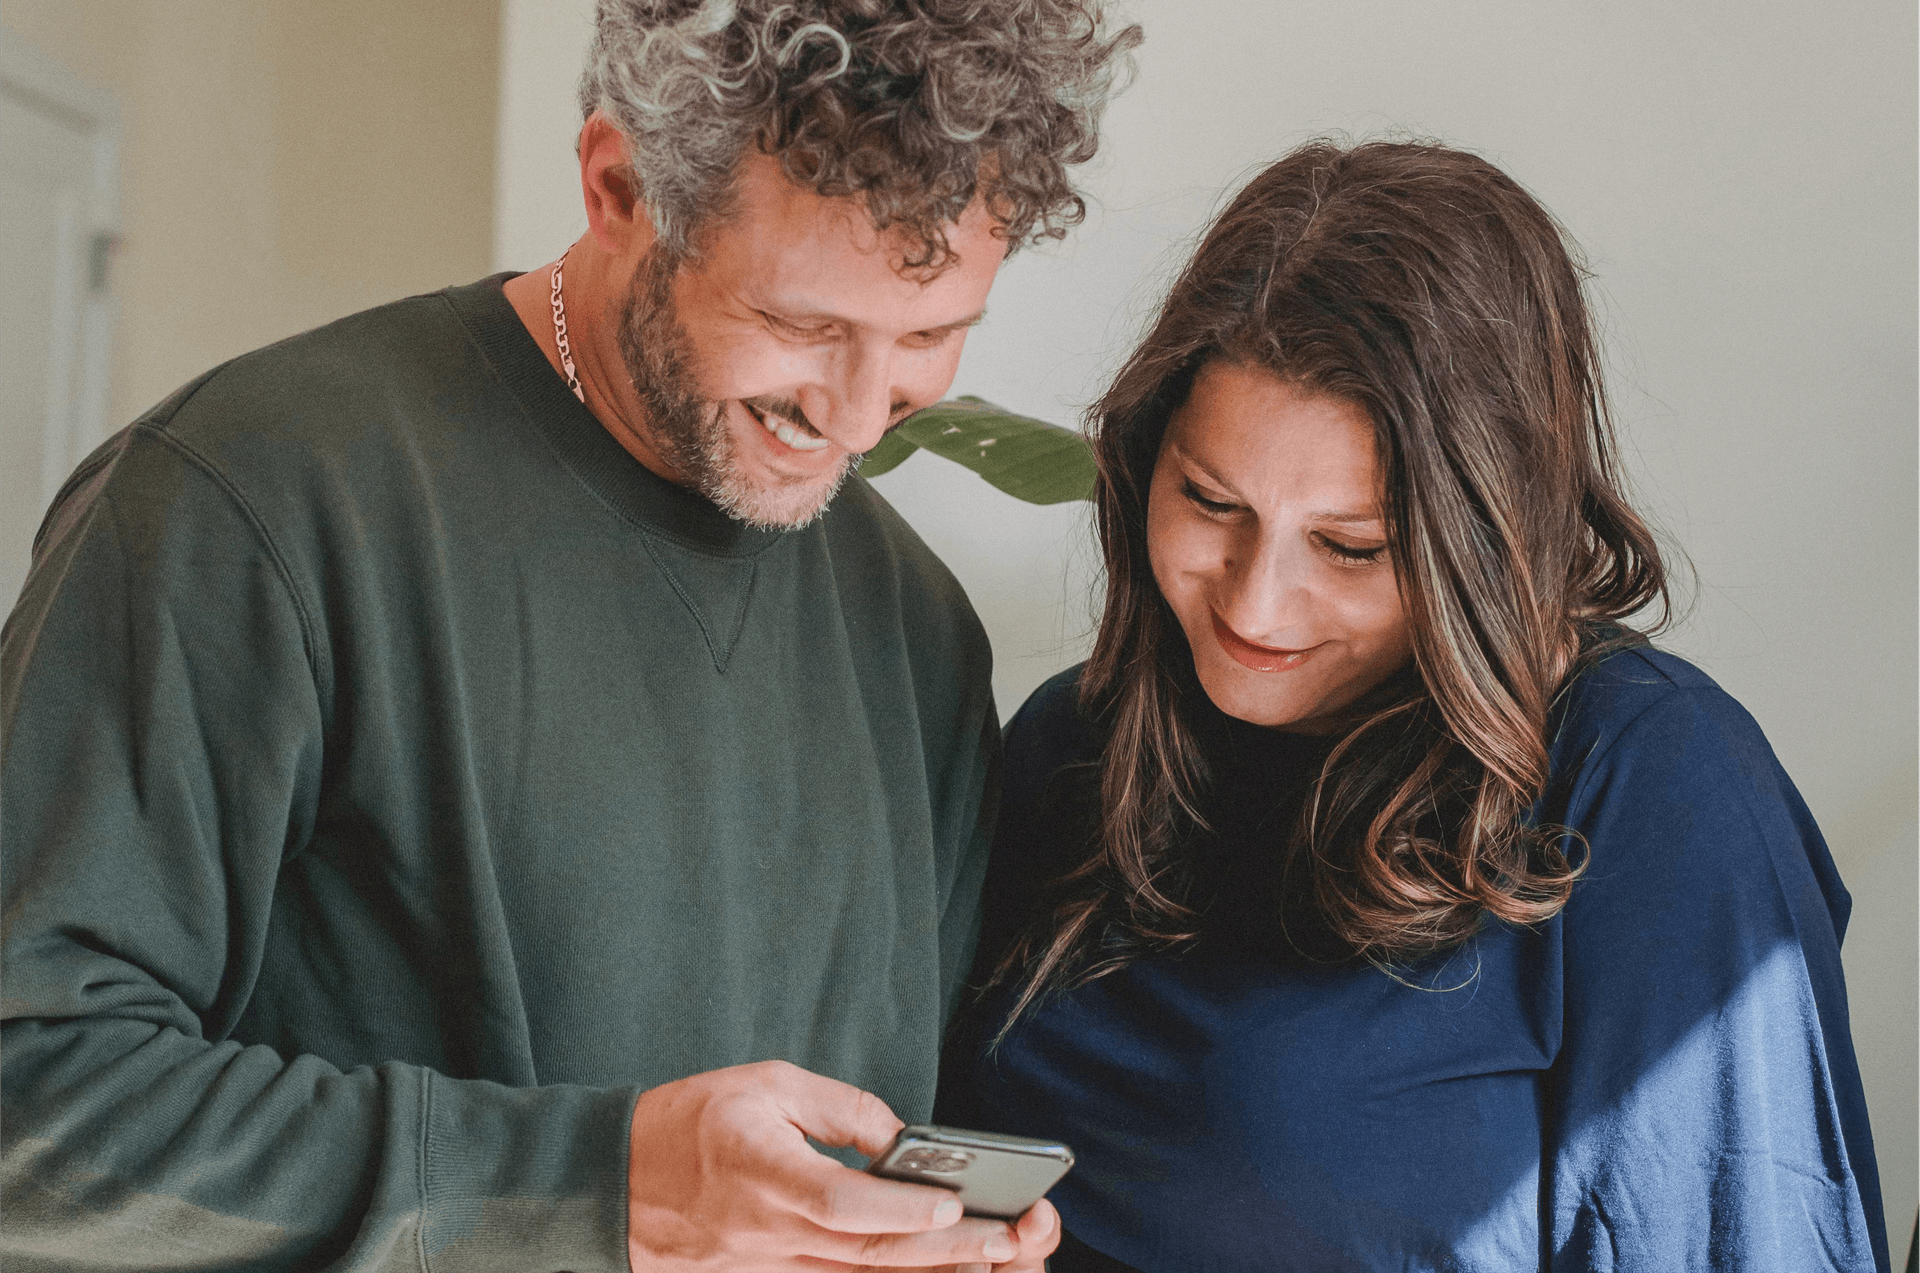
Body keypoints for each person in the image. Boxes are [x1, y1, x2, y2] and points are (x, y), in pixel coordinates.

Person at [0, 2, 1140, 1268]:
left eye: (930, 336)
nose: (862, 419)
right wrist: (606, 1183)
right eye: (802, 326)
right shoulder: (250, 503)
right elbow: (30, 1105)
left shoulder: (919, 633)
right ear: (618, 186)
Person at [938, 140, 1891, 1272]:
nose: (1256, 601)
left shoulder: (1656, 791)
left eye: (1350, 547)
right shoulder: (1073, 745)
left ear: (1481, 546)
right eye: (1208, 499)